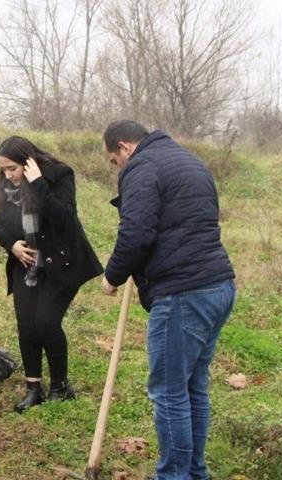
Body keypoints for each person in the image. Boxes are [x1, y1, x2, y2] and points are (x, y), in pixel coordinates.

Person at [100, 120, 236, 480]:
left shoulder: (142, 167)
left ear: (125, 148)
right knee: (193, 386)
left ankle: (175, 476)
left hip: (183, 293)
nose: (118, 169)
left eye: (115, 161)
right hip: (218, 285)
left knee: (169, 392)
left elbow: (137, 232)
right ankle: (194, 471)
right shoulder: (190, 160)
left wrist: (112, 276)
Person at [0, 136, 103, 414]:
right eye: (4, 169)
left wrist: (39, 183)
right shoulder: (6, 186)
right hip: (27, 265)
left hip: (61, 263)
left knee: (46, 322)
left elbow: (64, 216)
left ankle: (60, 386)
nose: (8, 175)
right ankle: (33, 389)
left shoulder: (60, 175)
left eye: (13, 169)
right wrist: (12, 245)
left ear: (28, 163)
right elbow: (0, 224)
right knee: (27, 325)